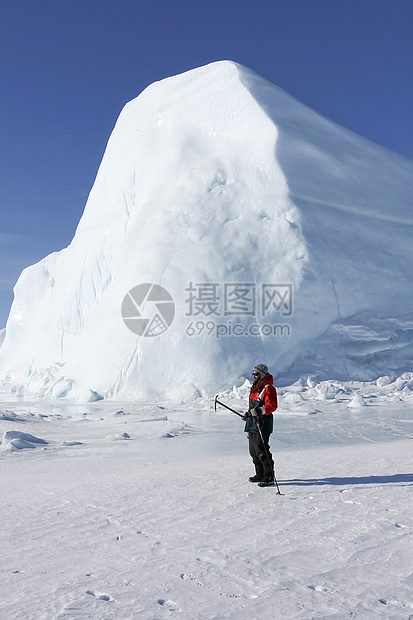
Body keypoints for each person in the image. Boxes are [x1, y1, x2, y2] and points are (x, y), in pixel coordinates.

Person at [243, 363, 278, 487]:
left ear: (262, 374)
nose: (254, 376)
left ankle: (268, 476)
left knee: (261, 450)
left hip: (262, 423)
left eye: (256, 373)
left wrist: (259, 411)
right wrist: (248, 414)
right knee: (253, 451)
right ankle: (260, 474)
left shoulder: (268, 388)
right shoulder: (255, 387)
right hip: (252, 423)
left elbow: (271, 406)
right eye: (253, 373)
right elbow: (253, 406)